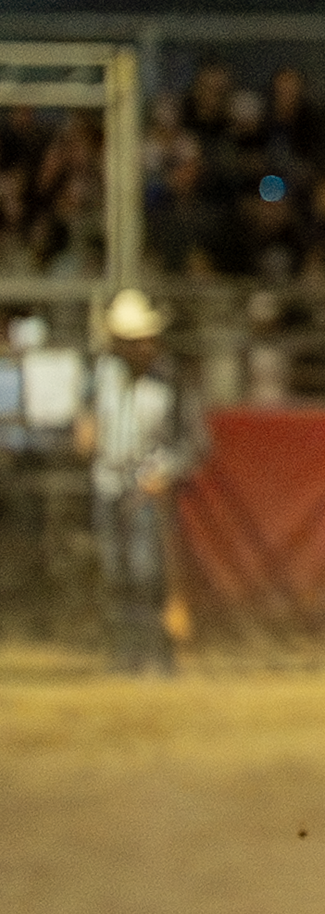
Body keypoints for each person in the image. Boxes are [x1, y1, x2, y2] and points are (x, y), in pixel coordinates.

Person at [76, 289, 199, 675]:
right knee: (116, 571)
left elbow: (194, 441)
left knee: (148, 572)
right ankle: (126, 653)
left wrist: (166, 472)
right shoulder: (101, 377)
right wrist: (85, 429)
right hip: (108, 482)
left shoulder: (170, 380)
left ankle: (158, 653)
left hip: (148, 486)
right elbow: (86, 424)